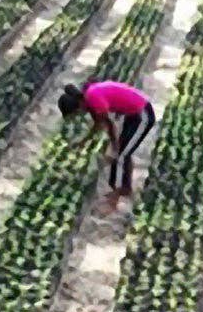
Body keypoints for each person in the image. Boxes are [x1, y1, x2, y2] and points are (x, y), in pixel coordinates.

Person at [58, 78, 156, 213]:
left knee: (121, 156)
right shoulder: (88, 98)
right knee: (123, 153)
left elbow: (110, 126)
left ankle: (114, 201)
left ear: (79, 105)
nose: (79, 115)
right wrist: (82, 142)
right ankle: (126, 189)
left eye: (76, 113)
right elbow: (98, 125)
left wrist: (115, 145)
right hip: (133, 113)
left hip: (143, 113)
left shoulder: (93, 100)